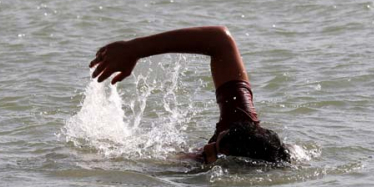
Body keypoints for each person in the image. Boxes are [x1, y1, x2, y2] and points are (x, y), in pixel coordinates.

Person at [89, 26, 290, 165]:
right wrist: (135, 49)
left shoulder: (208, 172)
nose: (206, 147)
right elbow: (220, 39)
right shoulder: (241, 126)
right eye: (213, 141)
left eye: (210, 150)